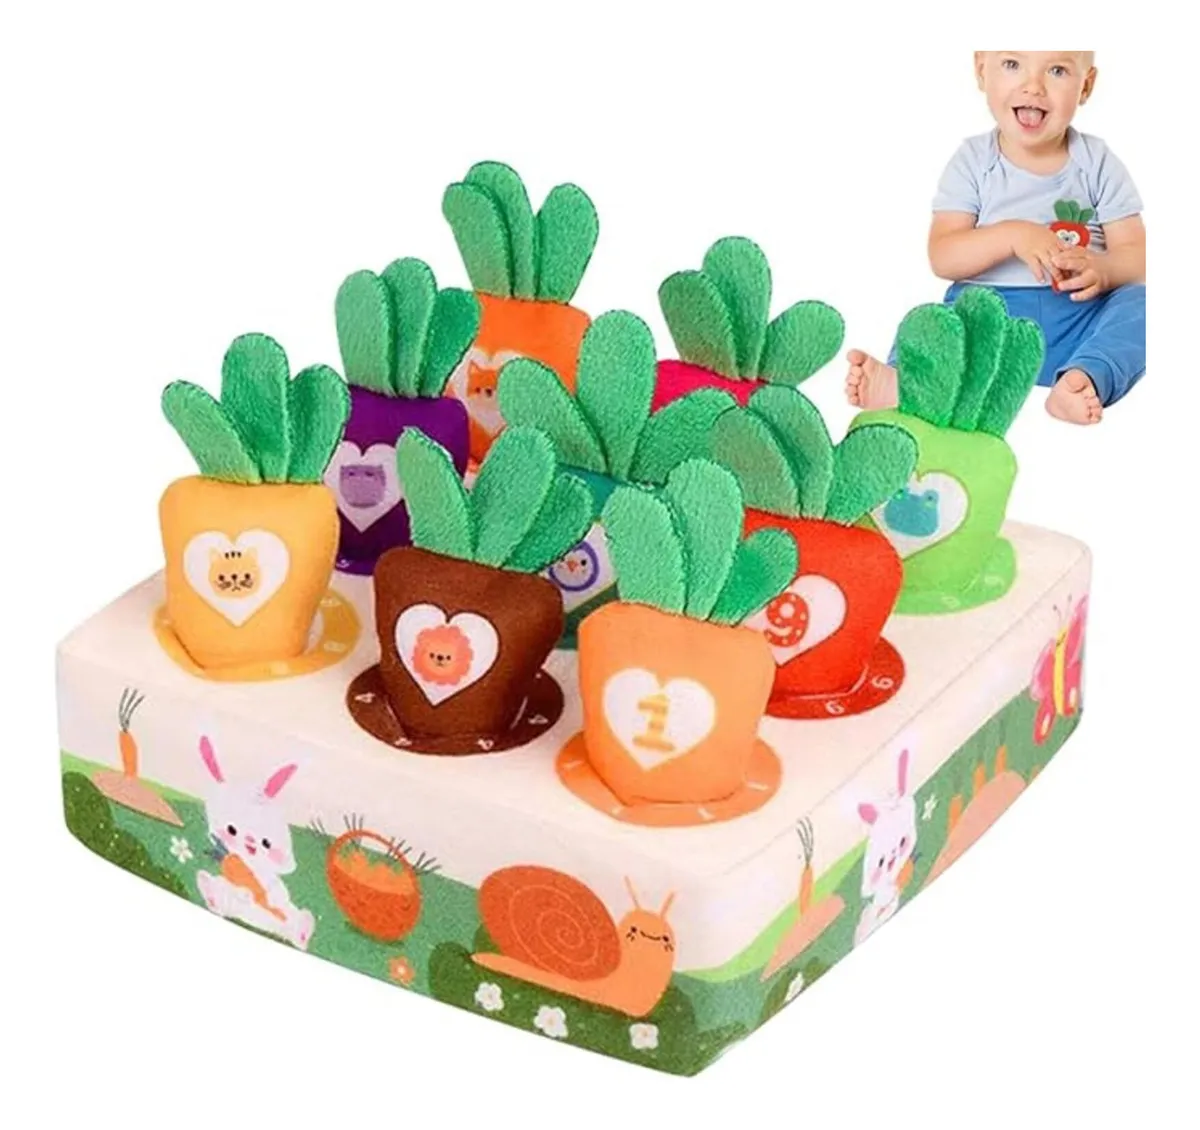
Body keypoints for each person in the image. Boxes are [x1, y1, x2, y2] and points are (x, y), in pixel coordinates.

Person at [846, 51, 1145, 426]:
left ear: (1086, 86)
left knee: (1144, 307)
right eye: (1012, 64)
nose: (1033, 86)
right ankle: (907, 383)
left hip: (1079, 320)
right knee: (937, 321)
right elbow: (943, 256)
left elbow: (1138, 256)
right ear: (981, 70)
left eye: (1057, 70)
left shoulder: (1097, 162)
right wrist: (1011, 236)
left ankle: (1083, 378)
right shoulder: (973, 161)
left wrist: (1103, 268)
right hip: (989, 321)